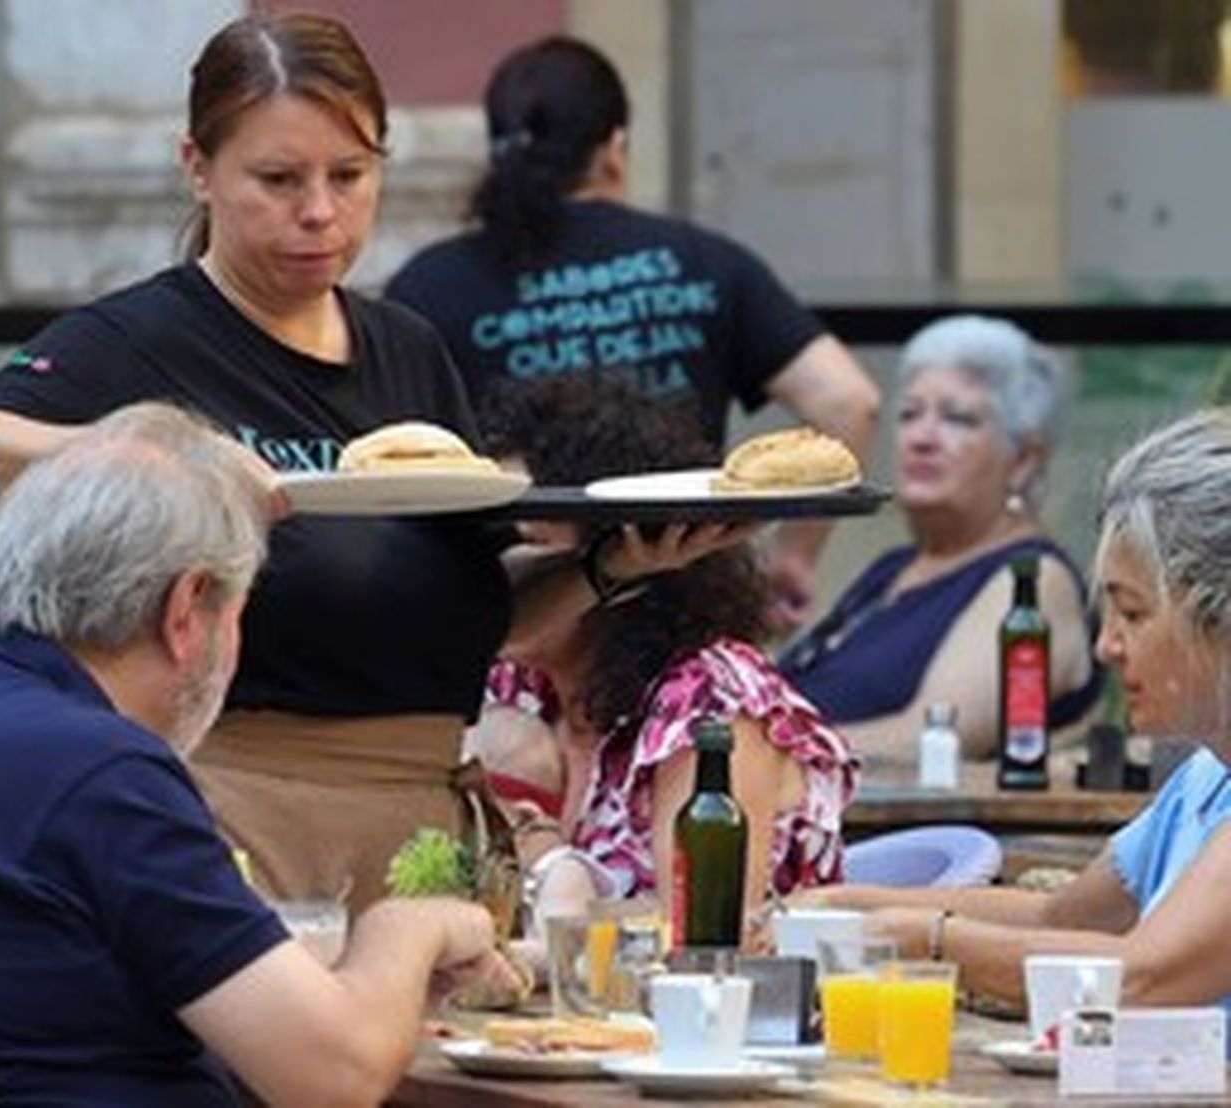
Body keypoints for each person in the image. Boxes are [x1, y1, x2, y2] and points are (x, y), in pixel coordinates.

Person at [0, 13, 729, 912]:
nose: (320, 211)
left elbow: (455, 614)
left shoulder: (408, 349)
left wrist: (610, 565)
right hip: (240, 825)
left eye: (350, 176)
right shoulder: (135, 340)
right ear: (197, 168)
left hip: (429, 828)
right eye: (279, 179)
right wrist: (162, 455)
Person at [0, 404, 519, 1107]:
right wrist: (405, 929)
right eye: (239, 612)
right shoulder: (92, 769)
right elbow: (334, 1077)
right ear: (188, 611)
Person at [384, 35, 880, 627]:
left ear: (497, 156)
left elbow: (396, 475)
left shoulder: (429, 285)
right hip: (684, 601)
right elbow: (850, 401)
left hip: (516, 618)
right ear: (615, 148)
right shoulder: (704, 260)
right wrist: (791, 561)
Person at [795, 409, 1231, 1024]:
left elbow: (1141, 978)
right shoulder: (1203, 782)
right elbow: (1059, 917)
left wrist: (928, 939)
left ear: (1217, 620)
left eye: (1132, 615)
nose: (1108, 645)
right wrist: (842, 904)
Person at [470, 376, 859, 928]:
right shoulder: (512, 686)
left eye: (525, 547)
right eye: (485, 548)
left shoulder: (709, 698)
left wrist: (548, 864)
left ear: (630, 554)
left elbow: (698, 931)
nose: (494, 578)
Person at [778, 315, 1102, 774]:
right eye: (909, 414)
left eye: (958, 418)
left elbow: (931, 742)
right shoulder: (894, 568)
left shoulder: (1032, 580)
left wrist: (754, 752)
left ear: (1024, 458)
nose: (922, 437)